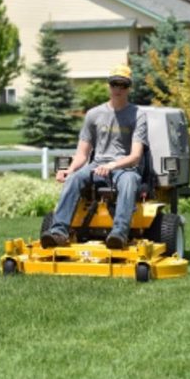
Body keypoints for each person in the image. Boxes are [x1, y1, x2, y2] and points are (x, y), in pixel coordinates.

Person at [40, 64, 148, 250]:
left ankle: (119, 234)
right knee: (74, 179)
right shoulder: (93, 115)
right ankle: (59, 232)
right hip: (97, 166)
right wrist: (70, 170)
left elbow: (136, 156)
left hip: (125, 168)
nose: (118, 89)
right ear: (109, 86)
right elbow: (82, 154)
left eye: (123, 85)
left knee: (129, 181)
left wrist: (113, 166)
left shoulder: (138, 115)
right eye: (114, 84)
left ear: (129, 88)